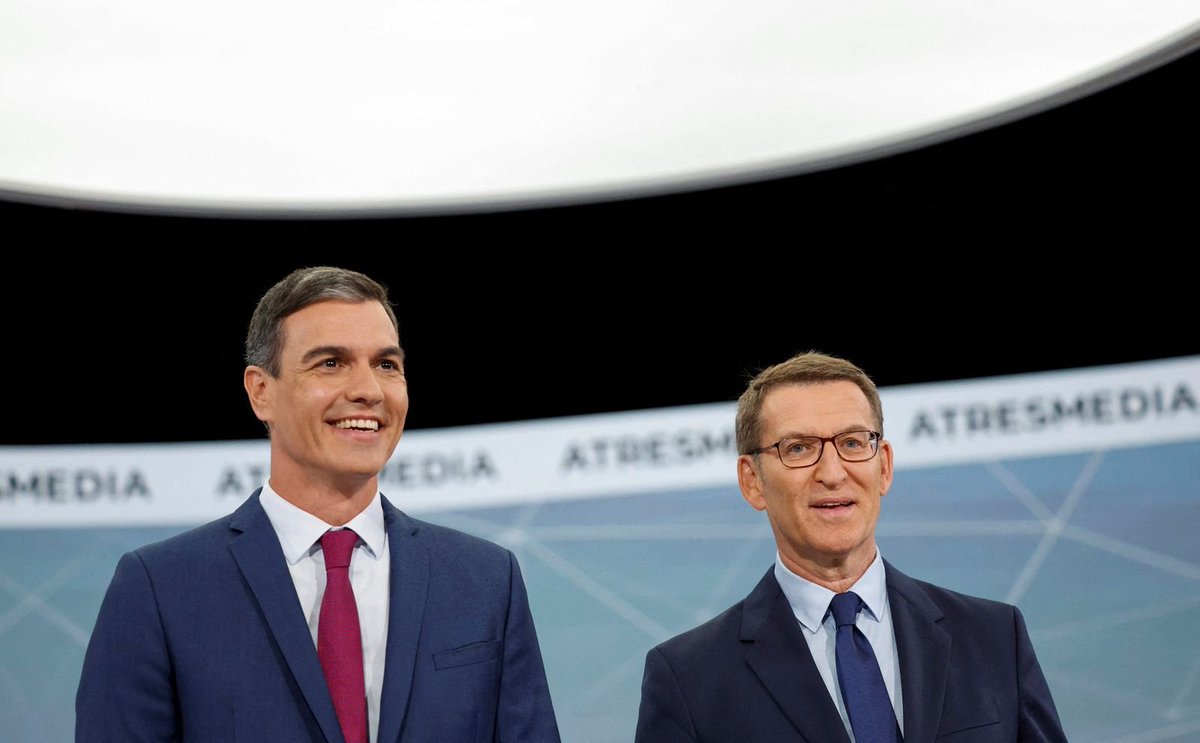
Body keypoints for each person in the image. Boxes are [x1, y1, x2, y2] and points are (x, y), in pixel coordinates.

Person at [76, 266, 561, 743]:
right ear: (261, 392)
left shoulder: (486, 579)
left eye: (386, 365)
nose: (368, 390)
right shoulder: (160, 588)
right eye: (331, 363)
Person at [634, 350, 1067, 742]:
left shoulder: (994, 637)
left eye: (853, 443)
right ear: (752, 481)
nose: (833, 473)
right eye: (798, 448)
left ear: (884, 467)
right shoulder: (688, 679)